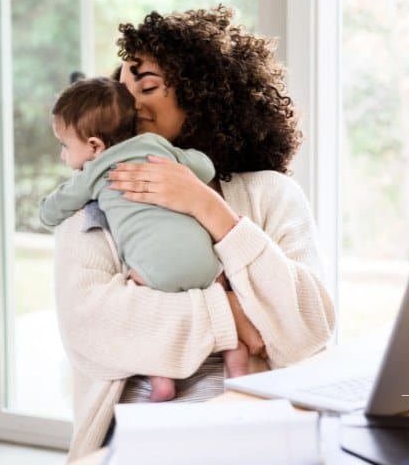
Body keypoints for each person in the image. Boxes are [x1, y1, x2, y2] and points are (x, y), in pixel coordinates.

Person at [52, 5, 336, 461]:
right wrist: (231, 314)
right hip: (145, 436)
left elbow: (307, 331)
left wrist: (211, 210)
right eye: (121, 93)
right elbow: (93, 328)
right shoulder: (100, 200)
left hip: (262, 428)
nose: (131, 105)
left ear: (206, 96)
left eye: (148, 87)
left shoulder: (271, 194)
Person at [39, 77, 251, 402]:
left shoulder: (94, 173)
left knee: (140, 300)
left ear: (95, 146)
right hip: (207, 265)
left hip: (154, 272)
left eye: (65, 146)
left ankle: (161, 379)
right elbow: (205, 166)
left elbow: (56, 207)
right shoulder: (159, 148)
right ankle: (237, 366)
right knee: (229, 319)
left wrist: (44, 209)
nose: (63, 155)